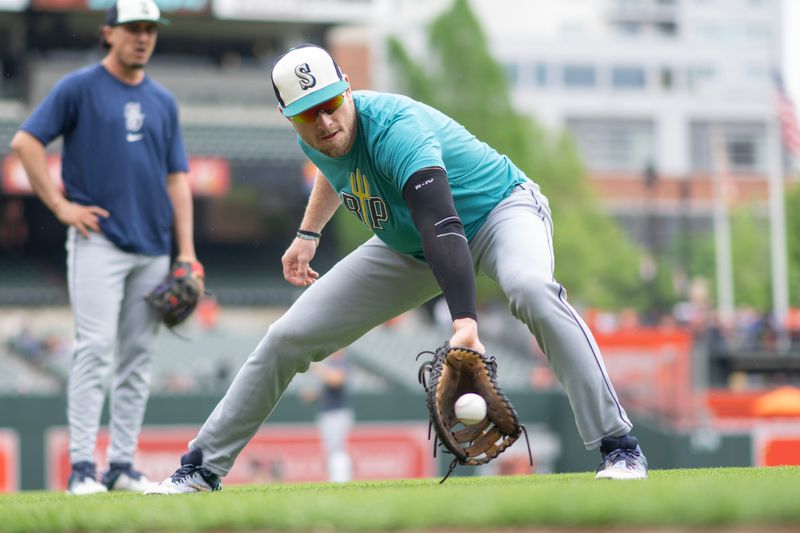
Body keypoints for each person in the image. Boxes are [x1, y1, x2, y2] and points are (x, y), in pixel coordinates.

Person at [147, 44, 647, 494]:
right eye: (305, 115)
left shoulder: (393, 129)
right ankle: (200, 469)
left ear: (348, 90)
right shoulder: (315, 135)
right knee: (286, 337)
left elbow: (443, 223)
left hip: (497, 212)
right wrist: (308, 233)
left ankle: (619, 446)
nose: (323, 122)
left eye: (329, 105)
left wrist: (464, 324)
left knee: (530, 288)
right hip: (408, 246)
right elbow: (334, 170)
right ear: (289, 117)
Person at [10, 0, 202, 495]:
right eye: (133, 28)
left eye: (150, 29)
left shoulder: (163, 101)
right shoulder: (79, 86)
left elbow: (178, 179)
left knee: (137, 358)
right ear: (108, 33)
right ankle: (80, 471)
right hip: (99, 242)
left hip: (154, 246)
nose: (143, 37)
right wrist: (59, 206)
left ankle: (120, 466)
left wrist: (186, 251)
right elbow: (26, 142)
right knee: (94, 350)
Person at [306, 349, 355, 483]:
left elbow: (336, 380)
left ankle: (341, 479)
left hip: (337, 413)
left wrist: (317, 369)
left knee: (337, 448)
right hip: (329, 412)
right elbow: (328, 387)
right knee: (331, 448)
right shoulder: (331, 364)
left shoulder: (341, 363)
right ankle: (337, 478)